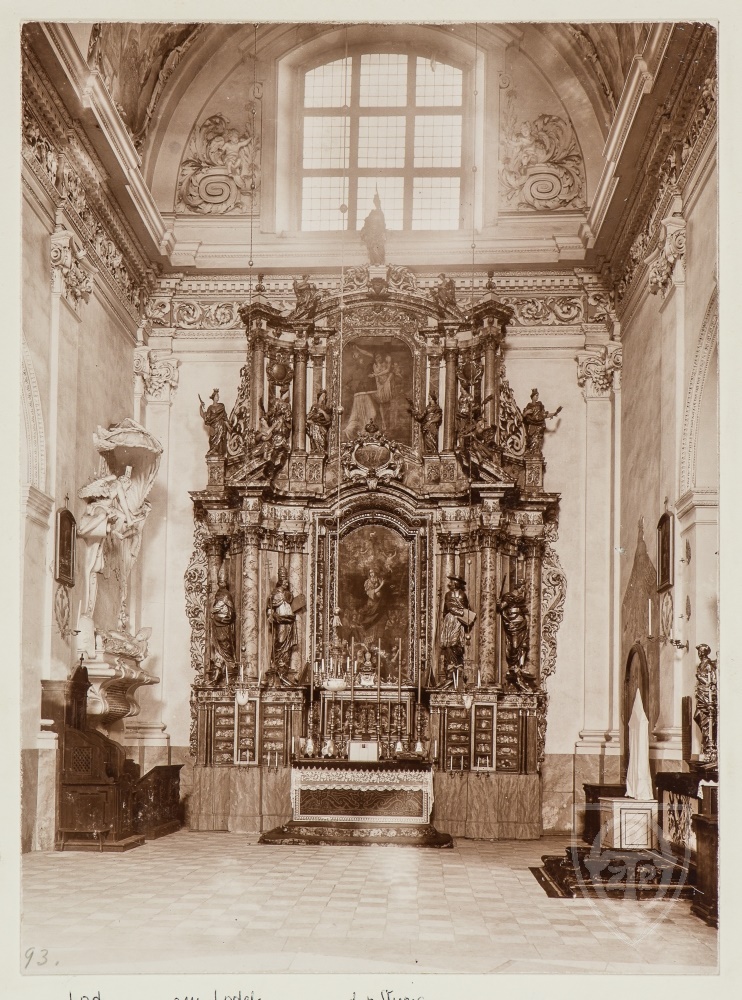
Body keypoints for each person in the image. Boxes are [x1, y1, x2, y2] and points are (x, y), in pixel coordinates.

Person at [496, 581, 534, 690]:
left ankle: (520, 667)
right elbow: (501, 609)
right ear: (518, 587)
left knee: (523, 645)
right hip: (512, 624)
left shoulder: (520, 599)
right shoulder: (508, 597)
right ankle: (513, 667)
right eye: (523, 587)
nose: (524, 589)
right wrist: (499, 604)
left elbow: (525, 612)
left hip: (522, 624)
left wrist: (527, 623)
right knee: (514, 645)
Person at [439, 576, 476, 688]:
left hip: (457, 621)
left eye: (452, 582)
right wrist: (458, 612)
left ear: (456, 583)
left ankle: (455, 670)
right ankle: (451, 670)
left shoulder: (461, 595)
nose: (451, 583)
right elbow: (447, 608)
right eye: (451, 582)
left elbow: (465, 608)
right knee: (449, 644)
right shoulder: (449, 594)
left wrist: (459, 613)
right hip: (451, 620)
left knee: (455, 643)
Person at [266, 566, 298, 685]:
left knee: (287, 648)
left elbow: (292, 603)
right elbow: (270, 608)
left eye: (286, 579)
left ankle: (284, 670)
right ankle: (278, 669)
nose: (286, 582)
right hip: (281, 623)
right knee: (279, 643)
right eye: (284, 579)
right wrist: (271, 614)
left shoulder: (288, 594)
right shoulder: (274, 594)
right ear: (280, 579)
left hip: (289, 622)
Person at [210, 561, 236, 685]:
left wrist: (219, 615)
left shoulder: (226, 595)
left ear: (226, 583)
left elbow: (229, 611)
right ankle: (218, 671)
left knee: (225, 644)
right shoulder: (217, 594)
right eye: (220, 582)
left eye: (223, 582)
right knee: (219, 647)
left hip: (224, 625)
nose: (222, 584)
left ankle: (229, 667)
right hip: (217, 625)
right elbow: (214, 609)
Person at [522, 388, 562, 456]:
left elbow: (543, 415)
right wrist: (526, 412)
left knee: (537, 441)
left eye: (538, 395)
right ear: (532, 396)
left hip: (539, 426)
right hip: (531, 426)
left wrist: (554, 413)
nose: (537, 397)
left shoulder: (540, 405)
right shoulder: (529, 405)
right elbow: (523, 417)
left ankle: (535, 452)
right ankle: (531, 452)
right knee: (531, 441)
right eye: (536, 395)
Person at [199, 388, 229, 457]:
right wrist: (201, 407)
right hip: (213, 427)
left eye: (218, 396)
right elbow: (206, 417)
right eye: (217, 396)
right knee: (212, 440)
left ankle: (219, 452)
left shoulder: (221, 406)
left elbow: (225, 417)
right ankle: (213, 450)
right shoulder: (210, 408)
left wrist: (228, 426)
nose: (218, 397)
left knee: (220, 440)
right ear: (213, 397)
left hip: (220, 426)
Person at [360, 191, 386, 265]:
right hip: (372, 237)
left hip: (378, 236)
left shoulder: (380, 214)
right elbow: (366, 225)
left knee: (378, 249)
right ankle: (375, 262)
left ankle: (378, 262)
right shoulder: (371, 216)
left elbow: (382, 225)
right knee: (373, 248)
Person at [306, 389, 332, 455]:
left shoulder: (326, 408)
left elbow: (328, 419)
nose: (323, 398)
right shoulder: (314, 406)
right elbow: (309, 416)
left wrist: (323, 412)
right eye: (322, 396)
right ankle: (316, 449)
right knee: (315, 430)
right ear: (319, 397)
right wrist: (310, 421)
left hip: (322, 428)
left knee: (321, 439)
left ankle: (321, 449)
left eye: (324, 396)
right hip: (314, 426)